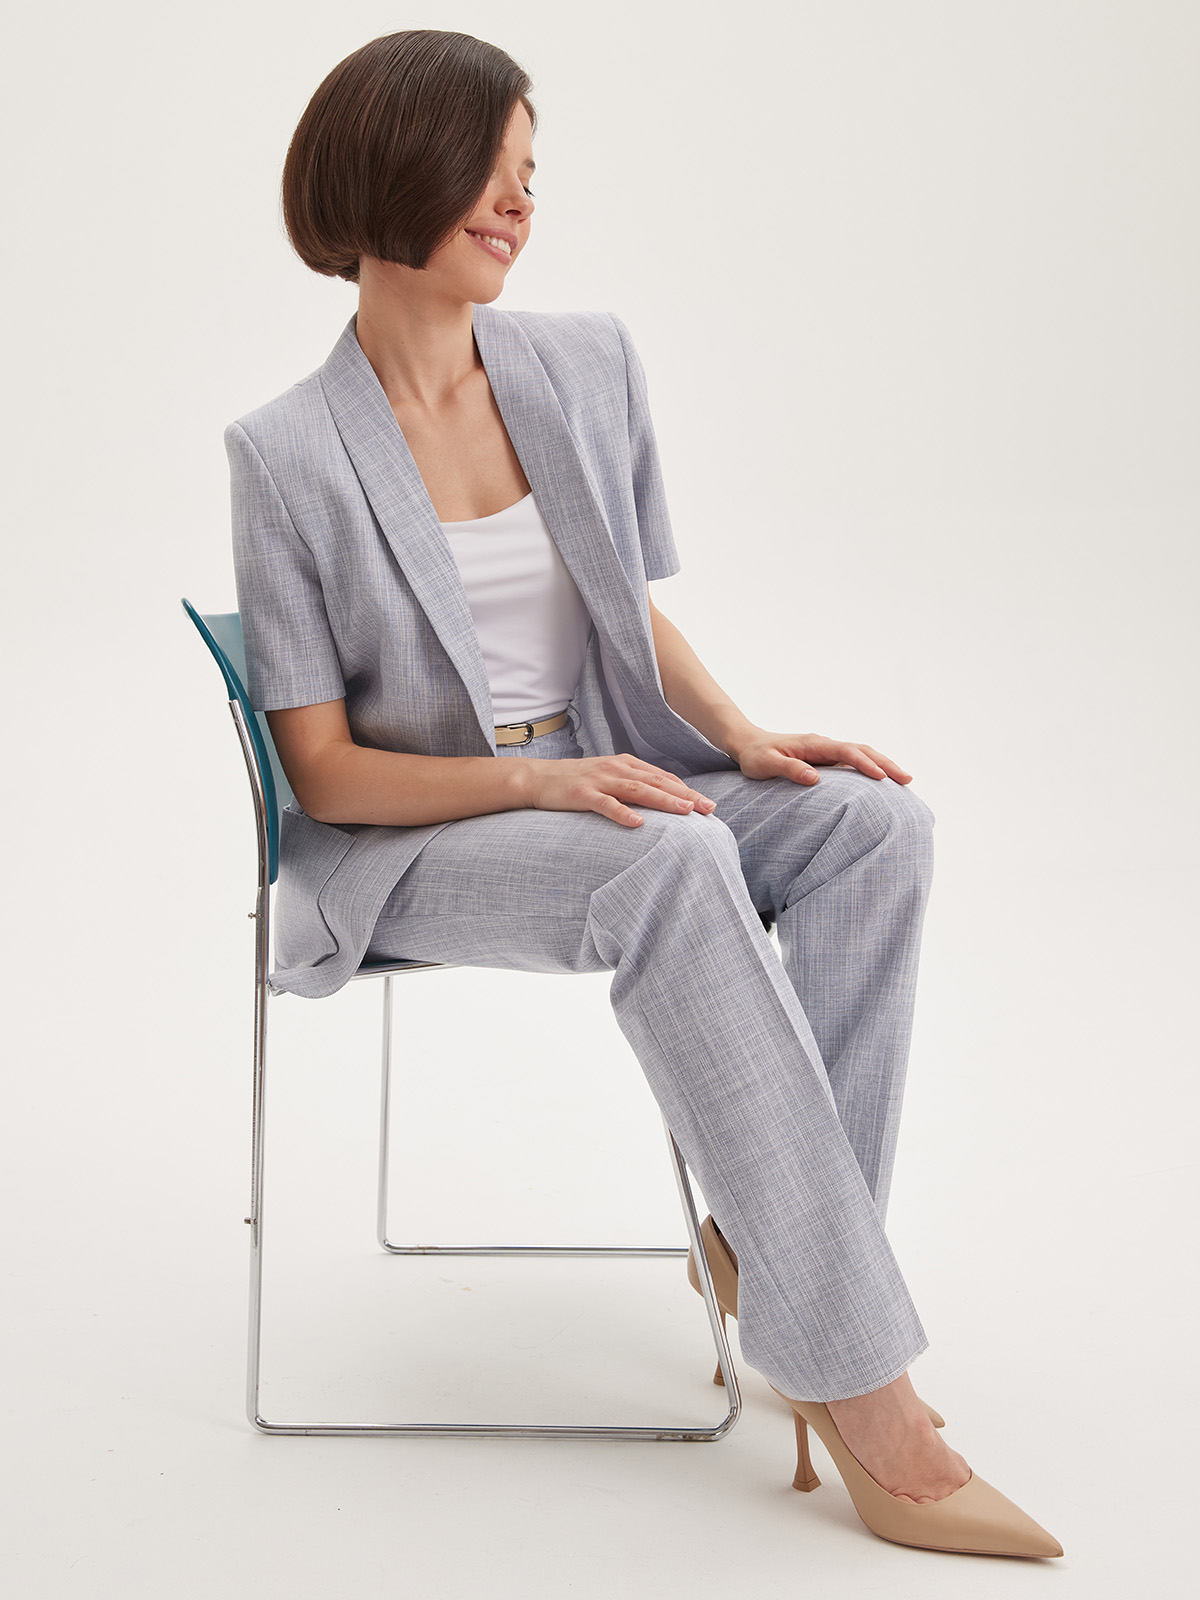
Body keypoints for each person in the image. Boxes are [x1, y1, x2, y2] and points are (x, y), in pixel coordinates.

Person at [226, 29, 1061, 1558]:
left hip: (608, 775)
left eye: (529, 175)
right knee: (671, 867)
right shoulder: (286, 455)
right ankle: (859, 1383)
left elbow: (627, 605)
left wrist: (741, 734)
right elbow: (323, 770)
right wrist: (534, 784)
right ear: (391, 173)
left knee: (873, 827)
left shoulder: (583, 361)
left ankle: (773, 1256)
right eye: (488, 171)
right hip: (419, 836)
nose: (519, 203)